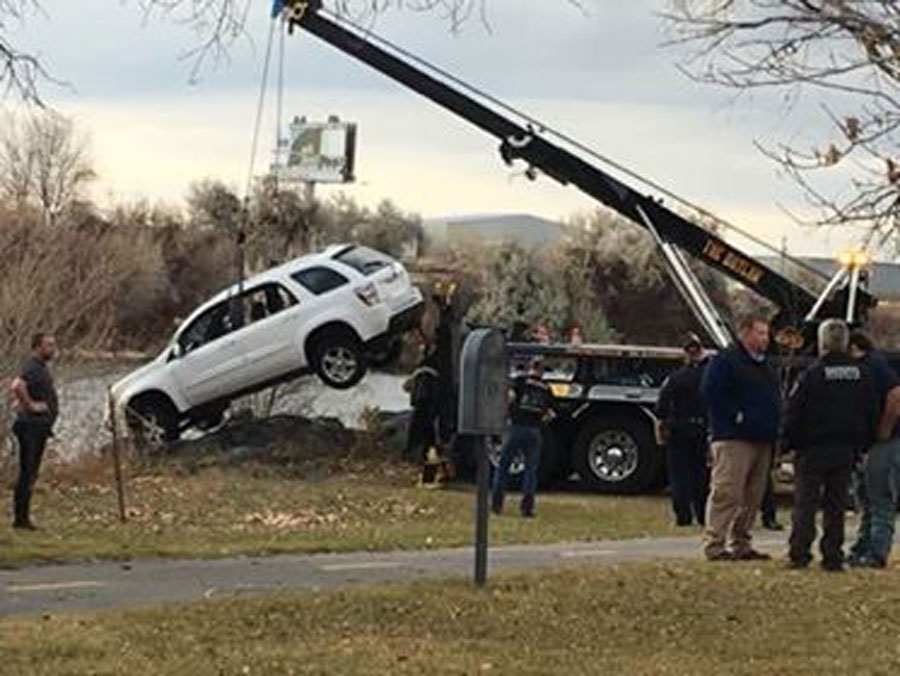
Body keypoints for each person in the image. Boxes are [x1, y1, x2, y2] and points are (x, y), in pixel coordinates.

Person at [784, 320, 879, 572]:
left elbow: (794, 412)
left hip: (813, 448)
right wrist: (864, 444)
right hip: (846, 449)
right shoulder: (861, 374)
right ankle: (833, 555)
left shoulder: (812, 374)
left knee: (806, 503)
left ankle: (800, 552)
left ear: (822, 342)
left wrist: (790, 443)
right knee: (836, 505)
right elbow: (871, 411)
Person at [701, 314, 781, 561]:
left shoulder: (765, 365)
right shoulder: (726, 360)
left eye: (766, 334)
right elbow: (711, 391)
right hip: (734, 437)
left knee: (753, 496)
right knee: (728, 491)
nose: (765, 339)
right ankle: (715, 544)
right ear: (745, 333)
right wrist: (736, 415)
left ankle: (741, 542)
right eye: (760, 333)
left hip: (762, 437)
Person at [846, 331, 900, 568]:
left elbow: (895, 395)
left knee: (880, 498)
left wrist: (884, 430)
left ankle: (877, 552)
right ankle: (862, 547)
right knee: (866, 498)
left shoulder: (874, 365)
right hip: (867, 443)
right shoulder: (868, 366)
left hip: (883, 443)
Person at [655, 333, 709, 527]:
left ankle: (683, 516)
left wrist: (664, 422)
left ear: (685, 353)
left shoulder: (675, 378)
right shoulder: (709, 377)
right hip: (701, 430)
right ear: (701, 351)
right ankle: (702, 514)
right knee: (701, 475)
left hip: (679, 430)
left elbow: (661, 407)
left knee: (679, 475)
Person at [9, 332, 59, 530]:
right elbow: (17, 385)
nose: (53, 349)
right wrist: (30, 405)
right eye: (49, 345)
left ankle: (23, 516)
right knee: (27, 471)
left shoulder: (41, 367)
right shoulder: (32, 366)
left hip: (39, 427)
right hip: (30, 426)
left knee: (31, 472)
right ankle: (21, 519)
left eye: (53, 345)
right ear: (38, 347)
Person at [492, 357, 552, 518]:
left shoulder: (520, 381)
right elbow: (548, 413)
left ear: (530, 367)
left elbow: (510, 398)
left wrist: (505, 415)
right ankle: (527, 508)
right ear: (542, 371)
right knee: (531, 471)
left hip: (516, 427)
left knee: (503, 466)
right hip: (534, 431)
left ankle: (497, 505)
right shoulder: (546, 388)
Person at [403, 343, 441, 481]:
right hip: (427, 404)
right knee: (428, 436)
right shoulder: (424, 370)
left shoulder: (425, 370)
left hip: (424, 404)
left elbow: (410, 387)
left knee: (423, 435)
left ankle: (426, 468)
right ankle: (427, 465)